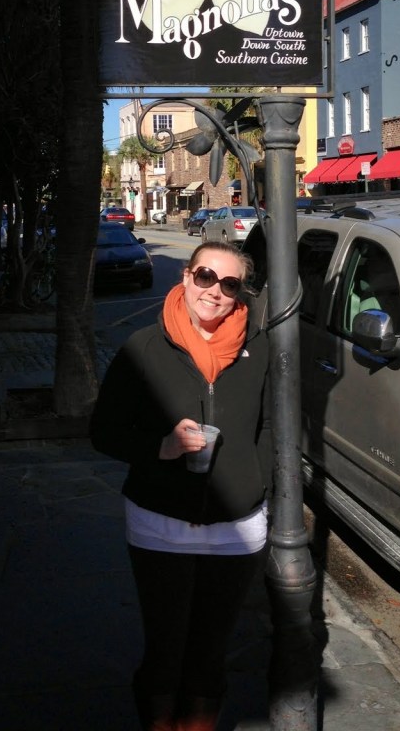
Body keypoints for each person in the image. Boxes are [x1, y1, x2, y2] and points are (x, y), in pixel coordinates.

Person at [90, 242, 270, 731]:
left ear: (239, 294)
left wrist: (259, 484)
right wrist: (160, 447)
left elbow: (272, 428)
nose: (215, 291)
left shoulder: (259, 350)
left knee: (210, 655)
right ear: (187, 277)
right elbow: (103, 431)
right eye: (206, 277)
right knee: (165, 653)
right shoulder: (143, 347)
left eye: (229, 284)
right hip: (160, 523)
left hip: (236, 528)